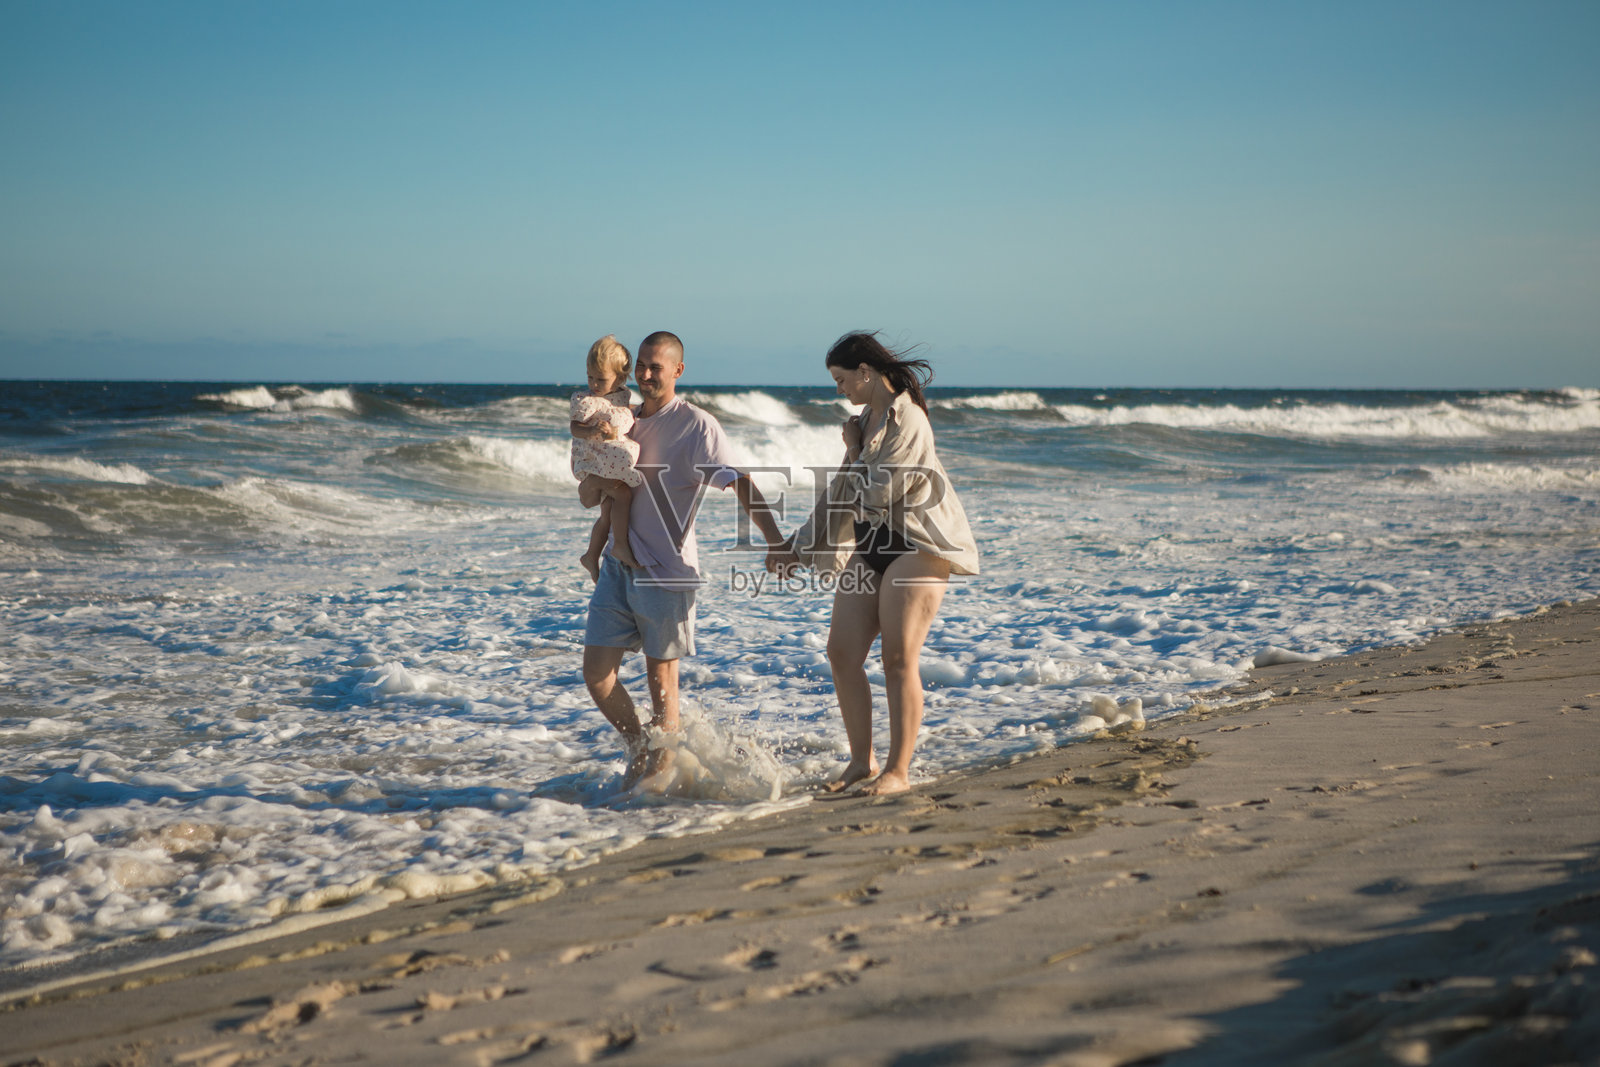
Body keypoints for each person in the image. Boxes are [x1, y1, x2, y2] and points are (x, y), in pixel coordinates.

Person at [766, 331, 979, 796]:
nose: (839, 390)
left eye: (842, 380)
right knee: (842, 654)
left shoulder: (910, 421)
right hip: (869, 547)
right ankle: (862, 763)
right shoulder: (866, 420)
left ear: (865, 372)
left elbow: (879, 493)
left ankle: (898, 772)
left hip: (918, 546)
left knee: (899, 658)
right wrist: (794, 548)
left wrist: (855, 447)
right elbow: (842, 492)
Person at [577, 331, 785, 790]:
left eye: (657, 367)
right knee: (596, 674)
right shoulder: (624, 419)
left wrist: (775, 541)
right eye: (643, 367)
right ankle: (643, 749)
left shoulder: (696, 426)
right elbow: (591, 496)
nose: (648, 375)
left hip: (665, 575)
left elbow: (740, 482)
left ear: (678, 371)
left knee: (661, 687)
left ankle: (658, 788)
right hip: (618, 565)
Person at [571, 334, 643, 580]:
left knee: (609, 508)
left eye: (600, 379)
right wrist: (590, 431)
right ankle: (620, 546)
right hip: (594, 461)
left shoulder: (622, 397)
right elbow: (574, 428)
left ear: (621, 378)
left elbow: (622, 415)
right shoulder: (586, 401)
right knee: (622, 494)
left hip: (609, 459)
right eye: (590, 377)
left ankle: (591, 555)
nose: (593, 384)